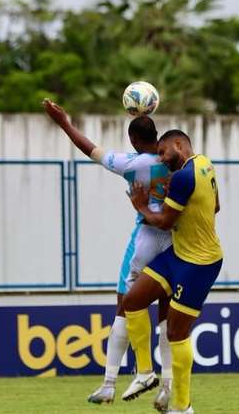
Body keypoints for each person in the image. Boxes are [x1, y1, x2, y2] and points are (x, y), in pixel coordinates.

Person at [42, 99, 173, 407]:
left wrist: (63, 122)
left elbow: (90, 148)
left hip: (146, 238)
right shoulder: (176, 161)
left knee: (125, 305)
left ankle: (111, 383)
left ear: (133, 140)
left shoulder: (132, 164)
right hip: (175, 241)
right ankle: (166, 388)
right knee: (167, 317)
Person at [123, 129, 223, 414]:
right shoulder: (205, 163)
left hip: (200, 264)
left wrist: (141, 206)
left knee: (177, 333)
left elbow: (164, 223)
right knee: (133, 301)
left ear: (178, 144)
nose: (162, 159)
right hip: (178, 254)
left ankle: (183, 407)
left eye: (164, 152)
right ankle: (144, 373)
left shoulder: (181, 177)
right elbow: (216, 206)